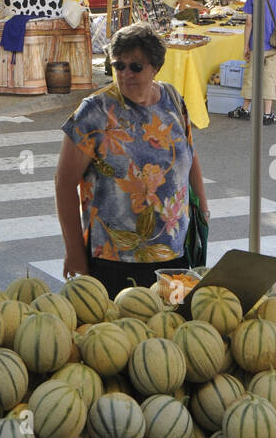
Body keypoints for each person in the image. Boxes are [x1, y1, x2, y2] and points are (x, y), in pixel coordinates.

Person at [54, 22, 210, 298]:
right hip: (114, 259)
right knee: (123, 336)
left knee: (170, 330)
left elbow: (190, 153)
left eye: (135, 66)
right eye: (118, 65)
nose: (126, 73)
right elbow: (64, 183)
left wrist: (202, 210)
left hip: (174, 253)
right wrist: (74, 252)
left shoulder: (172, 100)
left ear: (155, 67)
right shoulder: (94, 111)